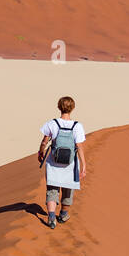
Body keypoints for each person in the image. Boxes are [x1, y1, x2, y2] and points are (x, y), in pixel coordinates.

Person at [37, 96, 86, 229]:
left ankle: (52, 217)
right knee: (68, 189)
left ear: (59, 107)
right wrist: (83, 165)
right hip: (70, 164)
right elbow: (80, 146)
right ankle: (63, 215)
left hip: (54, 163)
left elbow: (44, 141)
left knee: (52, 189)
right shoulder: (77, 126)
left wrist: (40, 152)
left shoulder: (52, 124)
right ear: (72, 108)